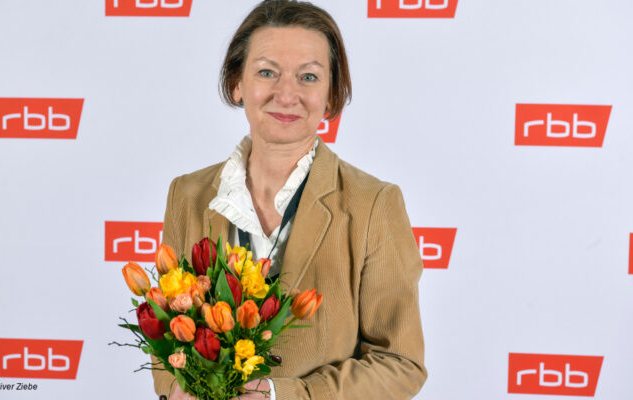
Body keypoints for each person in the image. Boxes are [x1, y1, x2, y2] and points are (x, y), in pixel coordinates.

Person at [153, 1, 427, 399]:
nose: (287, 93)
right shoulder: (187, 194)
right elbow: (166, 330)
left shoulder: (373, 204)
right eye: (267, 72)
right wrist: (176, 390)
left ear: (331, 97)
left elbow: (401, 363)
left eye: (308, 77)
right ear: (237, 83)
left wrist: (282, 395)